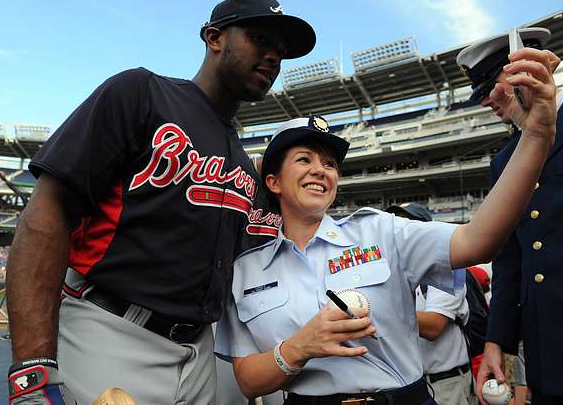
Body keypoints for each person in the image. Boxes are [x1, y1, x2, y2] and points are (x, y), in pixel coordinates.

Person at [5, 0, 315, 405]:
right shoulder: (142, 93)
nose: (274, 56)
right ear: (215, 37)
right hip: (112, 330)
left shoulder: (242, 161)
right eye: (261, 38)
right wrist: (32, 366)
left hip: (202, 349)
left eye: (281, 51)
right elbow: (48, 209)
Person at [215, 54, 557, 405]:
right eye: (304, 159)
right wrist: (299, 347)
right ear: (273, 181)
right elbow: (247, 380)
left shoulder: (382, 232)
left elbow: (477, 240)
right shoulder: (246, 269)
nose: (321, 170)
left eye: (330, 163)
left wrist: (535, 135)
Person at [457, 27, 563, 405]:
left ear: (521, 70)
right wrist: (497, 341)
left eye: (490, 85)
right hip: (548, 353)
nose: (485, 100)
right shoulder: (504, 161)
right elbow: (510, 262)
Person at [386, 203, 476, 405]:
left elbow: (433, 326)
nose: (399, 233)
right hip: (410, 385)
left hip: (446, 383)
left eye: (406, 225)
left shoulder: (451, 269)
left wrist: (379, 310)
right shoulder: (393, 273)